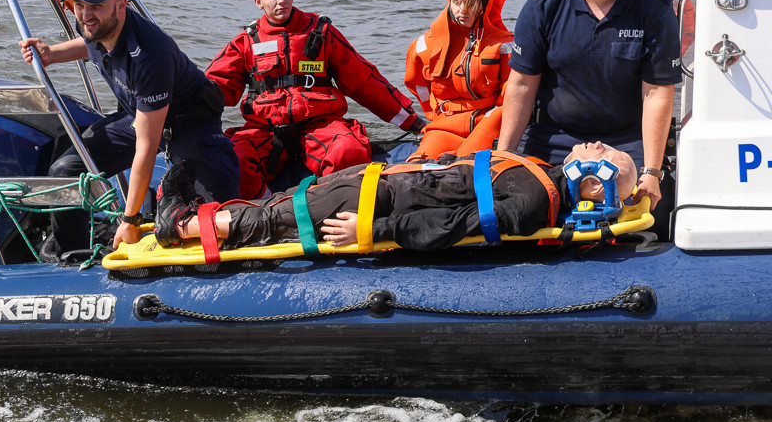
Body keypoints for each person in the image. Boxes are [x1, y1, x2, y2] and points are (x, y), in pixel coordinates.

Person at [19, 0, 239, 256]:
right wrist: (52, 54)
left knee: (215, 218)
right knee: (65, 170)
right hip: (140, 116)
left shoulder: (151, 55)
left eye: (95, 5)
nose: (85, 14)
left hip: (189, 126)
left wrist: (130, 219)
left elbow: (147, 148)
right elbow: (89, 41)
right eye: (79, 4)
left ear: (121, 6)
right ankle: (74, 252)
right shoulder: (96, 24)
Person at [497, 0, 681, 208]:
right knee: (523, 208)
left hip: (627, 141)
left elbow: (658, 93)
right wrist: (505, 155)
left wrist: (651, 170)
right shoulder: (543, 6)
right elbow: (521, 85)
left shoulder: (653, 8)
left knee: (651, 212)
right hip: (554, 138)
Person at [153, 141, 637, 251]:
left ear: (594, 183)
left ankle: (181, 226)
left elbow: (453, 226)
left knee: (286, 217)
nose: (594, 144)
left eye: (604, 151)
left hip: (382, 204)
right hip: (388, 179)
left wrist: (371, 231)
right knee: (284, 203)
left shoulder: (534, 202)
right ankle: (198, 216)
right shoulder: (541, 171)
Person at [206, 0, 427, 199]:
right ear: (259, 2)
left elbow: (363, 81)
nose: (281, 0)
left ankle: (329, 207)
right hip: (266, 128)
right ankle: (268, 214)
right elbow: (214, 86)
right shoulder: (246, 42)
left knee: (347, 152)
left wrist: (412, 121)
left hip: (319, 124)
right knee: (232, 161)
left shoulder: (321, 32)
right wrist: (179, 115)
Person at [404, 0, 513, 161]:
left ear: (482, 7)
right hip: (444, 122)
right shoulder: (423, 45)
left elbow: (511, 95)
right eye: (456, 2)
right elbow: (418, 85)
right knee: (416, 165)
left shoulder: (503, 44)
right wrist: (433, 112)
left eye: (471, 3)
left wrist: (493, 120)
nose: (463, 10)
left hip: (487, 121)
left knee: (465, 165)